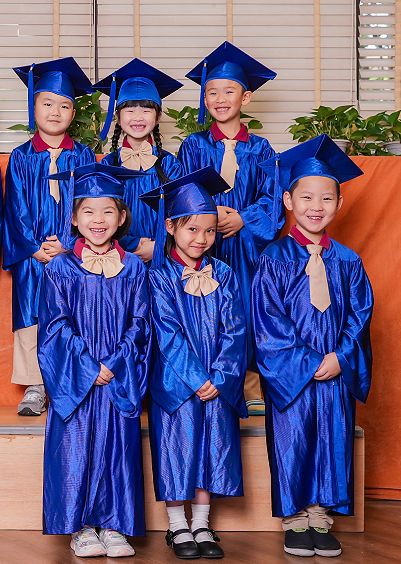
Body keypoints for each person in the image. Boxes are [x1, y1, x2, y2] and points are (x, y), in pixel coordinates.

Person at [252, 134, 373, 557]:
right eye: (306, 197)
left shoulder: (349, 261)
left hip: (335, 369)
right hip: (292, 372)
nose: (316, 206)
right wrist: (306, 362)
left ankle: (321, 517)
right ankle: (295, 519)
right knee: (293, 439)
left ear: (339, 203)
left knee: (332, 437)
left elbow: (361, 314)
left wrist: (341, 357)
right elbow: (267, 321)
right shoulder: (274, 258)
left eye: (326, 198)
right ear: (288, 200)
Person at [37, 163, 152, 558]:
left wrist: (115, 364)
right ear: (73, 217)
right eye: (88, 211)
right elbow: (54, 326)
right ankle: (82, 528)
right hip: (78, 379)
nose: (98, 220)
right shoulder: (61, 268)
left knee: (118, 450)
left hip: (118, 375)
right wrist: (89, 367)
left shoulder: (133, 267)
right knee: (77, 448)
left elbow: (141, 322)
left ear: (122, 217)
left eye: (107, 211)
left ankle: (115, 524)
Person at [140, 167, 247, 559]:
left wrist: (220, 377)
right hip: (176, 384)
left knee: (211, 449)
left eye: (210, 231)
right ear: (170, 227)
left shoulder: (226, 274)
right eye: (192, 230)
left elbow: (236, 330)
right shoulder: (159, 277)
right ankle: (177, 526)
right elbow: (166, 334)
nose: (201, 239)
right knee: (177, 450)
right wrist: (197, 379)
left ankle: (202, 523)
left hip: (218, 381)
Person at [178, 41, 284, 416]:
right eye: (212, 92)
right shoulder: (193, 146)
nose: (220, 99)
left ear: (246, 97)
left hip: (244, 247)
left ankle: (250, 383)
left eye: (229, 91)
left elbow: (273, 199)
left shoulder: (262, 149)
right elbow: (183, 191)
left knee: (246, 310)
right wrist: (205, 217)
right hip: (202, 242)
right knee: (203, 307)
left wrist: (243, 218)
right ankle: (203, 377)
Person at [3, 57, 95, 416]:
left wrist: (69, 246)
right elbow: (15, 208)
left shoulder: (84, 155)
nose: (55, 112)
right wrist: (33, 248)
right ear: (33, 106)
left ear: (74, 112)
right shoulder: (21, 157)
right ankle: (36, 386)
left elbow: (91, 205)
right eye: (47, 103)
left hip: (73, 253)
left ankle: (70, 382)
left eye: (64, 105)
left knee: (74, 314)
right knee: (32, 313)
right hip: (33, 255)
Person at [94, 58, 183, 264]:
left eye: (146, 110)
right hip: (116, 257)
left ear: (158, 117)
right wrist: (131, 244)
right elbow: (100, 214)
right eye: (130, 110)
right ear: (117, 117)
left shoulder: (170, 164)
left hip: (163, 256)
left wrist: (161, 246)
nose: (138, 117)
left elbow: (180, 212)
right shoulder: (107, 165)